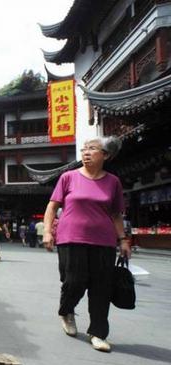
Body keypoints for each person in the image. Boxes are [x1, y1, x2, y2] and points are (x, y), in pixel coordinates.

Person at [43, 136, 131, 353]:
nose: (86, 153)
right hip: (71, 238)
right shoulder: (68, 177)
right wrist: (47, 231)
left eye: (92, 149)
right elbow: (52, 207)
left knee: (102, 287)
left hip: (104, 241)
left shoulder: (113, 182)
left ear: (106, 155)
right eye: (84, 149)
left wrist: (123, 240)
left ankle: (98, 332)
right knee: (74, 281)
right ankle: (67, 311)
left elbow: (116, 214)